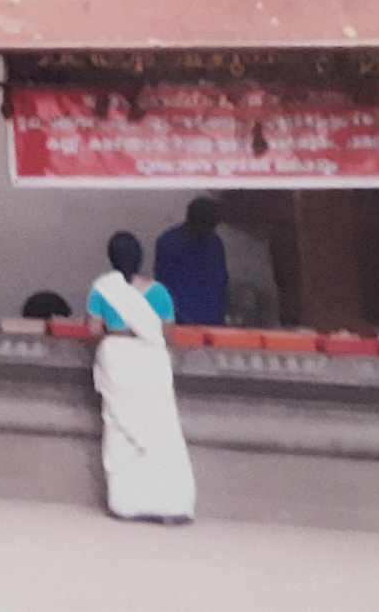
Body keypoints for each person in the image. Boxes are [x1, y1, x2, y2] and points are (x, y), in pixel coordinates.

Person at [86, 231, 196, 524]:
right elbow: (168, 332)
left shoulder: (103, 289)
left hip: (117, 359)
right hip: (151, 361)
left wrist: (117, 330)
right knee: (161, 430)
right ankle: (171, 505)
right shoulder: (159, 292)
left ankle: (127, 504)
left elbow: (94, 330)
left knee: (121, 429)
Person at [153, 198, 230, 326]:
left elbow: (221, 283)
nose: (208, 231)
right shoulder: (169, 243)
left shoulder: (215, 244)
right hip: (178, 320)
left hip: (211, 320)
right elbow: (163, 285)